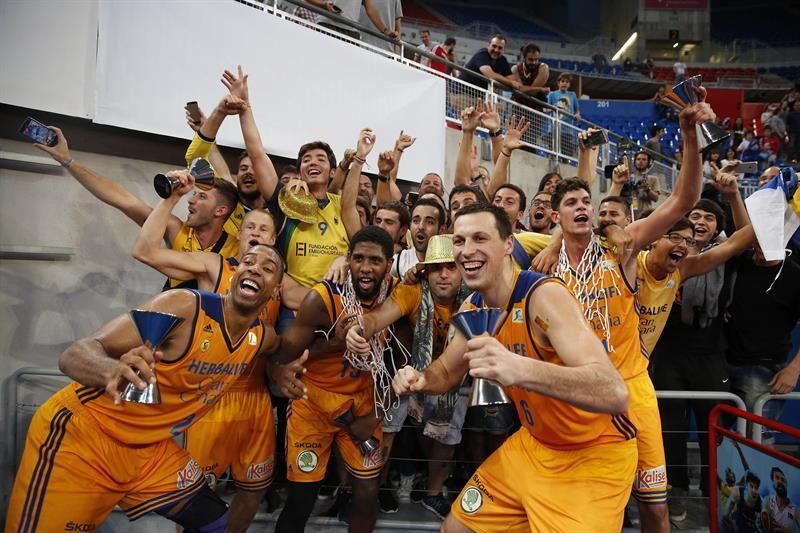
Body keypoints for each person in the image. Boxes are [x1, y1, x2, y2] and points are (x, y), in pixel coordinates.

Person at [5, 244, 285, 532]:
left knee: (216, 524)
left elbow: (282, 349)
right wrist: (110, 370)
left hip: (150, 452)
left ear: (276, 290)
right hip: (85, 439)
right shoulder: (185, 306)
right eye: (247, 261)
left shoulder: (259, 337)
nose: (254, 268)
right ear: (234, 273)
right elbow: (73, 355)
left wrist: (282, 368)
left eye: (267, 268)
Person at [391, 203, 634, 531]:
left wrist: (520, 368)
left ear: (508, 245)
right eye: (459, 241)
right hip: (534, 445)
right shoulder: (474, 305)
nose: (466, 251)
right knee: (455, 528)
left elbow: (614, 391)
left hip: (593, 454)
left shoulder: (542, 296)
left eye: (480, 238)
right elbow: (447, 371)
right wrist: (419, 378)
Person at [549, 91, 713, 533]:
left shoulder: (622, 246)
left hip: (632, 388)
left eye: (587, 201)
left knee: (654, 509)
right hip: (577, 394)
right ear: (553, 217)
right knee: (585, 510)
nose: (583, 206)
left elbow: (684, 200)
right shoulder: (542, 261)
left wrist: (689, 135)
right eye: (572, 203)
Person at [130, 170, 283, 530]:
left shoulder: (282, 280)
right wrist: (169, 199)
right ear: (238, 233)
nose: (257, 234)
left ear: (275, 240)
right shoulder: (213, 265)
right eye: (251, 228)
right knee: (195, 500)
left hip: (255, 398)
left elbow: (315, 312)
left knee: (253, 489)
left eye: (265, 230)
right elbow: (144, 250)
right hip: (211, 397)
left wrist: (284, 365)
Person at [272, 226, 397, 533]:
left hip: (361, 406)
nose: (365, 268)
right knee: (302, 497)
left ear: (389, 264)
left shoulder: (396, 297)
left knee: (367, 494)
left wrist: (376, 414)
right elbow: (286, 355)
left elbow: (401, 362)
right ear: (348, 260)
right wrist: (332, 343)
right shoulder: (323, 298)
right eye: (358, 259)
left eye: (375, 261)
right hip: (313, 406)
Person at [33, 122, 241, 290]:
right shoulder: (177, 230)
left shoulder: (238, 247)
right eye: (193, 195)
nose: (190, 200)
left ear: (220, 210)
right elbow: (123, 199)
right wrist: (68, 161)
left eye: (201, 197)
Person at [347, 235, 470, 519]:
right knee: (398, 431)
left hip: (458, 377)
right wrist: (358, 328)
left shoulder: (476, 295)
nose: (443, 274)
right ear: (425, 270)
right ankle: (377, 487)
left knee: (447, 442)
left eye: (451, 267)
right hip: (412, 372)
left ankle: (433, 494)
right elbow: (378, 317)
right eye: (436, 267)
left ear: (462, 269)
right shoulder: (413, 290)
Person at [227, 66, 350, 292]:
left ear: (333, 172)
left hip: (339, 302)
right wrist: (245, 109)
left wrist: (347, 259)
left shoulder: (343, 206)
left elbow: (361, 246)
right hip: (293, 307)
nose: (312, 163)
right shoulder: (284, 200)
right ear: (300, 170)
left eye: (320, 159)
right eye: (306, 160)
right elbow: (257, 153)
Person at [391, 198, 446, 279]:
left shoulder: (451, 264)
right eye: (416, 221)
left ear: (442, 230)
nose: (421, 227)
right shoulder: (398, 262)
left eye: (429, 222)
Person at [609, 152, 662, 217]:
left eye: (644, 159)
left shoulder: (653, 179)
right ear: (635, 161)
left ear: (649, 162)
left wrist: (648, 190)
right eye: (638, 159)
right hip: (628, 213)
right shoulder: (626, 177)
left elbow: (656, 198)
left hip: (644, 214)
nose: (641, 161)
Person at [760, 467, 800, 532]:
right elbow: (764, 516)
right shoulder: (767, 500)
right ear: (773, 484)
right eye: (777, 478)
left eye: (782, 479)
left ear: (786, 484)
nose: (780, 481)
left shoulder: (795, 509)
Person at [511, 43, 550, 108]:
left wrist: (525, 89)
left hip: (536, 110)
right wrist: (540, 89)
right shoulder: (515, 69)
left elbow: (531, 93)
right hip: (518, 108)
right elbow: (520, 90)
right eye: (530, 59)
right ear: (524, 58)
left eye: (536, 59)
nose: (534, 62)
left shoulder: (543, 68)